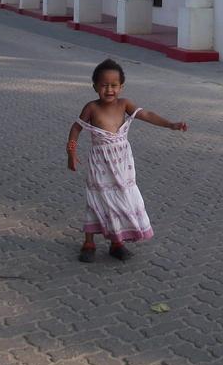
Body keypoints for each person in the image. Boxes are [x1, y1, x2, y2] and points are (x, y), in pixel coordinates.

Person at [66, 58, 187, 262]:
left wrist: (170, 125)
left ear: (121, 87)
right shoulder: (91, 108)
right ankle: (89, 243)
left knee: (122, 199)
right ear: (95, 86)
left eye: (114, 85)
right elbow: (76, 128)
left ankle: (117, 241)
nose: (109, 90)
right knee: (98, 199)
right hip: (100, 164)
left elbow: (147, 114)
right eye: (104, 85)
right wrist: (71, 152)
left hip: (123, 164)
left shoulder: (125, 105)